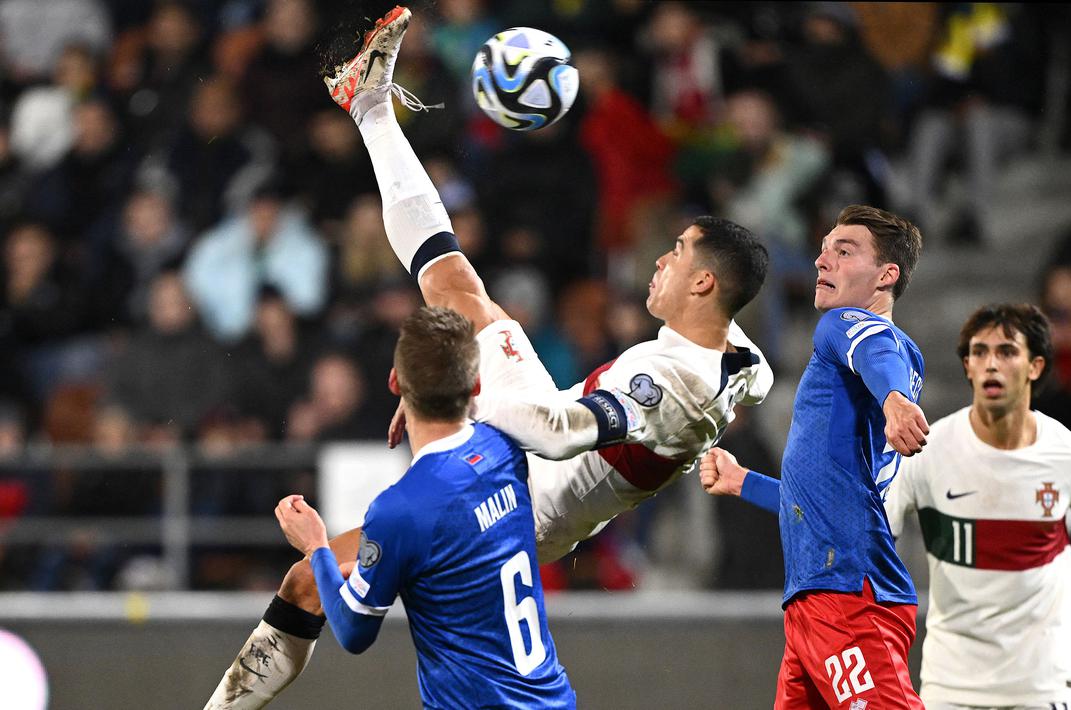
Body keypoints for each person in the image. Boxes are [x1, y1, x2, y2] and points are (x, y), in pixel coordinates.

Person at [205, 7, 773, 708]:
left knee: (305, 584)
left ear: (703, 283)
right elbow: (745, 379)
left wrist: (438, 394)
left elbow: (560, 436)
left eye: (677, 252)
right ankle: (368, 104)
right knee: (455, 286)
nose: (659, 258)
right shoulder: (736, 354)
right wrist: (438, 391)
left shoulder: (670, 386)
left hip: (526, 500)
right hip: (531, 438)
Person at [266, 306, 574, 708]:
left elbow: (353, 631)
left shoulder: (401, 510)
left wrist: (316, 548)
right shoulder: (506, 449)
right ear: (476, 384)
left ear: (395, 383)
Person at [701, 204, 929, 709]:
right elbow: (828, 498)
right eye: (823, 250)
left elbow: (874, 351)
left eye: (844, 252)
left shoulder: (843, 327)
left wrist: (894, 400)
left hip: (846, 594)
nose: (822, 261)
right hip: (818, 595)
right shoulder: (876, 361)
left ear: (886, 275)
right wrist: (745, 483)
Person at [885, 304, 1071, 708]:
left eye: (1007, 351)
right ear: (968, 367)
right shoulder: (926, 451)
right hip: (950, 688)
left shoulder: (1070, 455)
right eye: (979, 352)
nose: (991, 363)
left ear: (1035, 366)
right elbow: (875, 540)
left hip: (1043, 686)